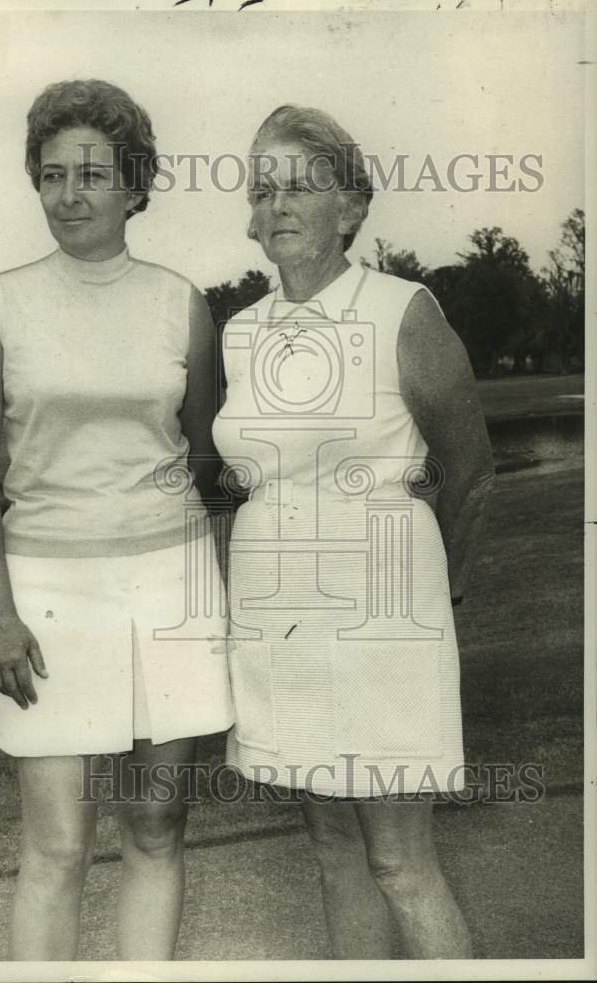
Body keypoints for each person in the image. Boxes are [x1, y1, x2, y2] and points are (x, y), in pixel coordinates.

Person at [0, 78, 233, 961]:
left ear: (134, 187)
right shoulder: (0, 302)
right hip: (46, 594)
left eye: (91, 175)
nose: (69, 195)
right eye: (50, 175)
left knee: (155, 823)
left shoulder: (181, 302)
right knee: (59, 843)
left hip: (170, 581)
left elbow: (206, 457)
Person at [212, 104, 495, 959]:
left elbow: (470, 471)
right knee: (332, 851)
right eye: (264, 189)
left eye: (303, 184)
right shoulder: (239, 332)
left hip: (382, 622)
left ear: (353, 205)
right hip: (277, 625)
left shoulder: (403, 310)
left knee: (400, 864)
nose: (279, 204)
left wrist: (429, 595)